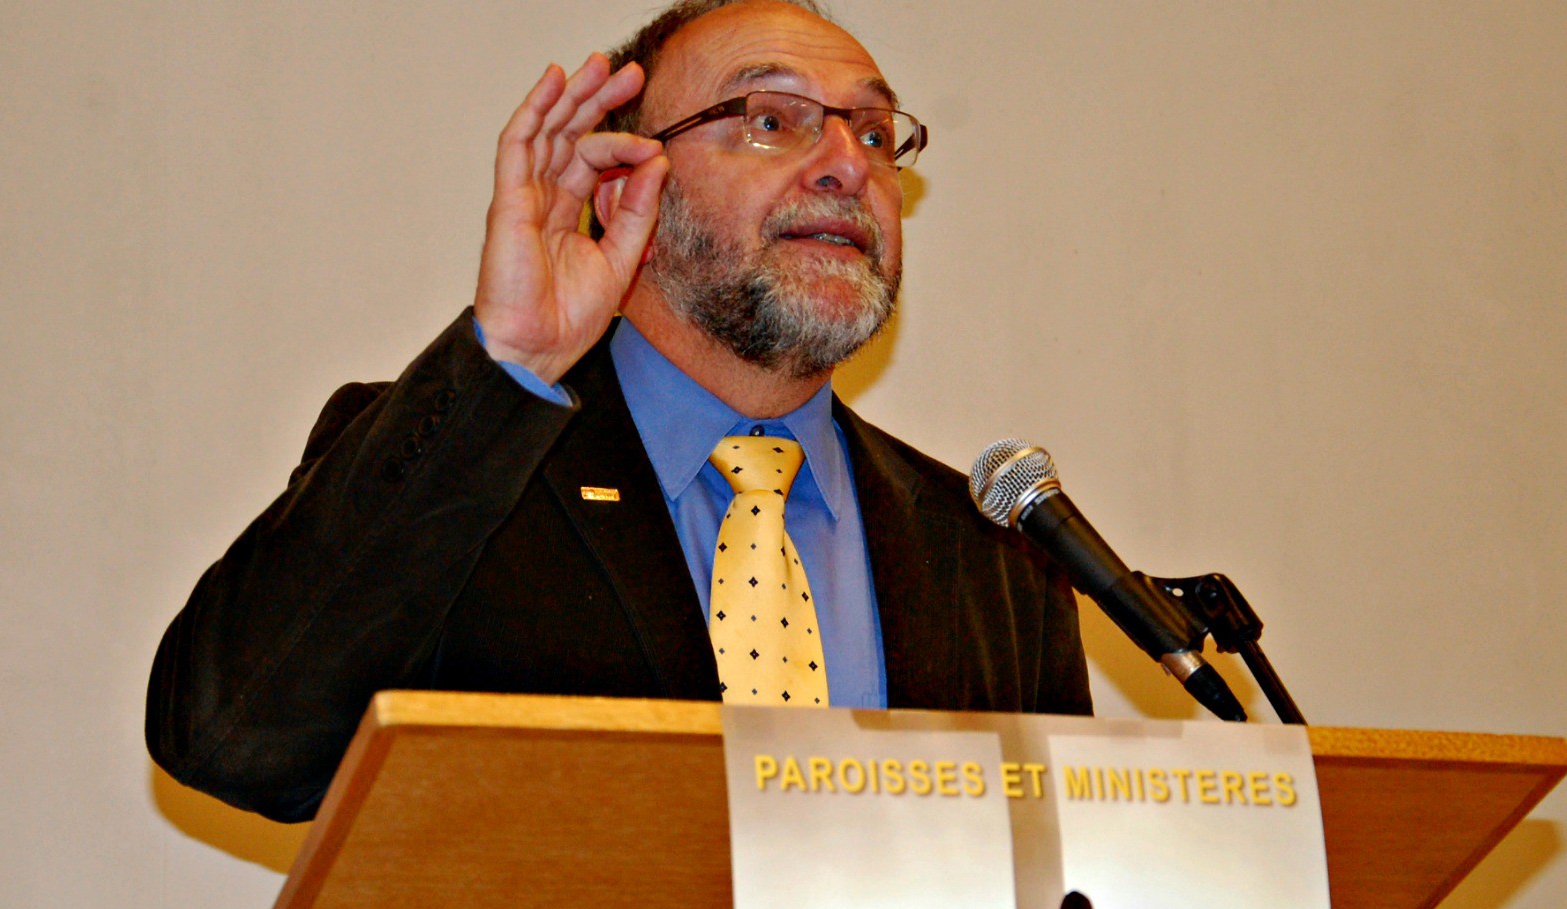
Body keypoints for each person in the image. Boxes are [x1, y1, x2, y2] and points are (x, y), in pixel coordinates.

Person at [146, 0, 1091, 823]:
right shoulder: (469, 463)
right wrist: (511, 363)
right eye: (772, 119)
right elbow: (233, 743)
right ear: (622, 185)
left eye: (877, 134)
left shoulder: (993, 553)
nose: (848, 163)